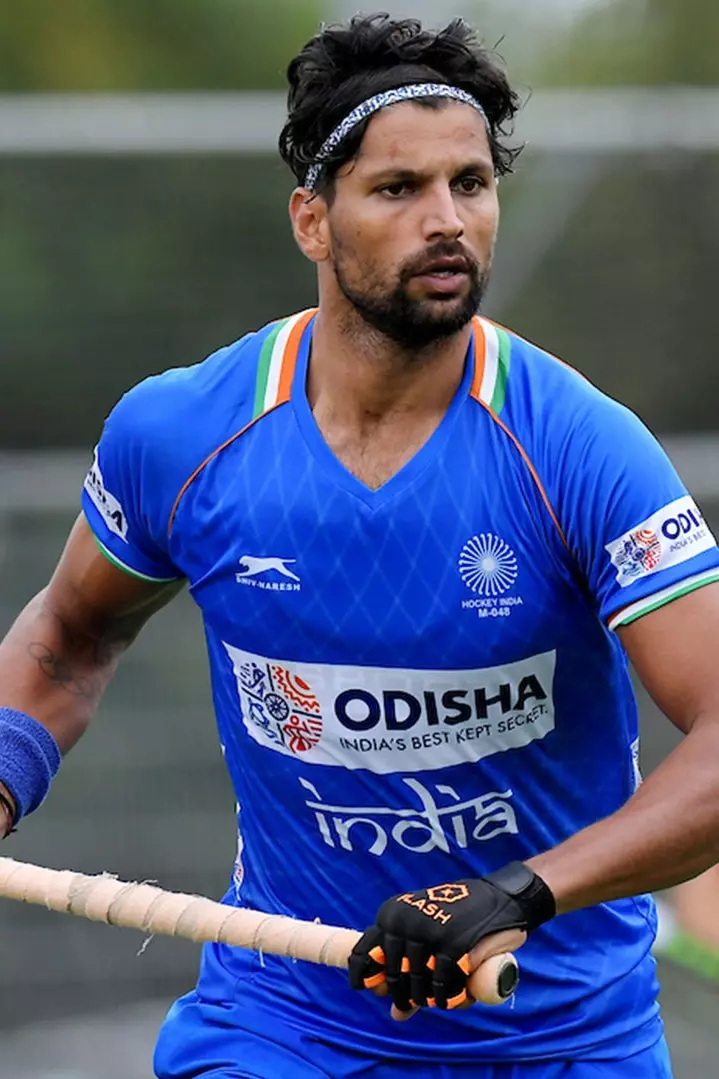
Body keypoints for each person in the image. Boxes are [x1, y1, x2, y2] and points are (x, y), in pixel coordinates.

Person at [2, 12, 719, 1078]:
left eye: (469, 184)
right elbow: (68, 637)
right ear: (312, 220)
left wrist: (517, 892)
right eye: (397, 189)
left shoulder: (578, 447)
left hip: (563, 1037)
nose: (447, 220)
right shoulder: (182, 434)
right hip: (286, 1024)